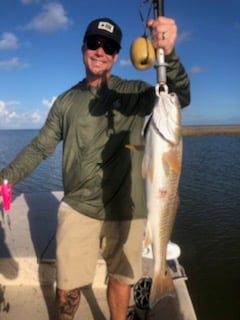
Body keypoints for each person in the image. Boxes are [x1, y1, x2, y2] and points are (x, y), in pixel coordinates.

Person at [0, 16, 190, 320]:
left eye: (110, 46)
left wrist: (171, 53)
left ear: (116, 55)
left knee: (121, 279)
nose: (100, 51)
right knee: (67, 287)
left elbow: (178, 94)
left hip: (128, 208)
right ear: (83, 47)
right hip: (79, 206)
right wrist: (4, 179)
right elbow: (39, 147)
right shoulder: (65, 102)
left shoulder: (134, 93)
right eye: (94, 43)